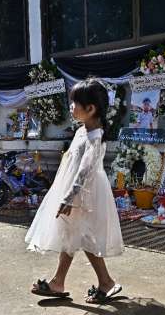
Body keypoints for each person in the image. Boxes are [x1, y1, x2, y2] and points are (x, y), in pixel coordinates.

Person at [26, 78, 124, 303]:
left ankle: (102, 282)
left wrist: (70, 197)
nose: (71, 107)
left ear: (90, 109)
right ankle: (61, 282)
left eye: (75, 103)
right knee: (74, 235)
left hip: (84, 194)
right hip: (75, 191)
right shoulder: (83, 130)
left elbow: (84, 172)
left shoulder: (94, 137)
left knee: (81, 235)